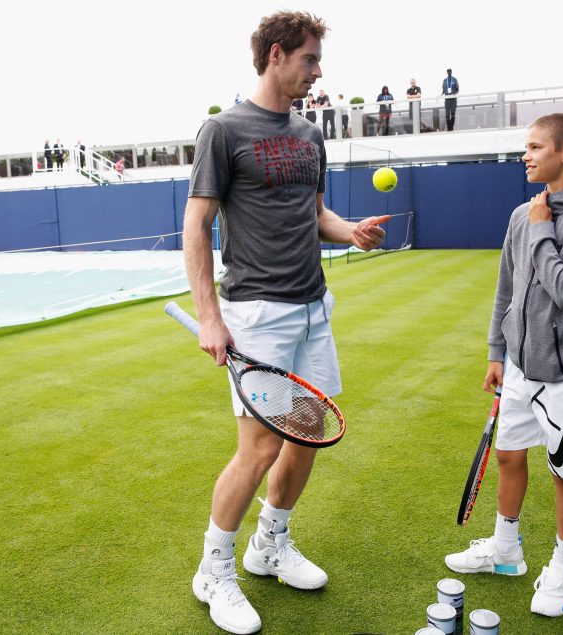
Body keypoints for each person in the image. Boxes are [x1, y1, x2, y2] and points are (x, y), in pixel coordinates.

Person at [183, 11, 391, 634]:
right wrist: (209, 318)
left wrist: (349, 230)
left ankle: (268, 546)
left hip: (312, 306)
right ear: (276, 55)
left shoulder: (308, 134)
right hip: (256, 312)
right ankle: (213, 570)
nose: (318, 71)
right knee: (260, 446)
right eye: (309, 59)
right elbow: (196, 226)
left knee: (306, 436)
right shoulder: (222, 131)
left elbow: (316, 212)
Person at [445, 113, 563, 618]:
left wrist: (543, 229)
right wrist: (498, 354)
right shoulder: (522, 214)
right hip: (518, 367)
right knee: (509, 456)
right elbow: (507, 290)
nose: (526, 155)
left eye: (535, 147)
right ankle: (505, 550)